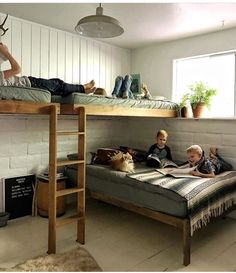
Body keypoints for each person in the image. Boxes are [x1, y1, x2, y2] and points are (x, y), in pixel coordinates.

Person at [0, 43, 96, 96]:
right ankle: (84, 87)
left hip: (31, 82)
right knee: (59, 85)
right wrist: (6, 52)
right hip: (31, 83)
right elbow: (17, 69)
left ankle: (83, 90)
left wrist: (3, 52)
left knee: (56, 85)